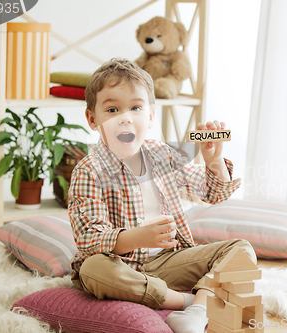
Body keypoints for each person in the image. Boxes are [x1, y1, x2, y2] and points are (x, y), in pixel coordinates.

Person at [67, 58, 256, 333]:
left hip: (169, 261)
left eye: (136, 107)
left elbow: (211, 193)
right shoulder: (89, 169)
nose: (126, 117)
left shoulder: (162, 154)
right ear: (93, 120)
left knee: (240, 250)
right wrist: (137, 237)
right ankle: (186, 301)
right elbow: (88, 238)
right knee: (93, 270)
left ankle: (197, 311)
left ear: (151, 115)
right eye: (112, 109)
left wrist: (214, 161)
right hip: (120, 266)